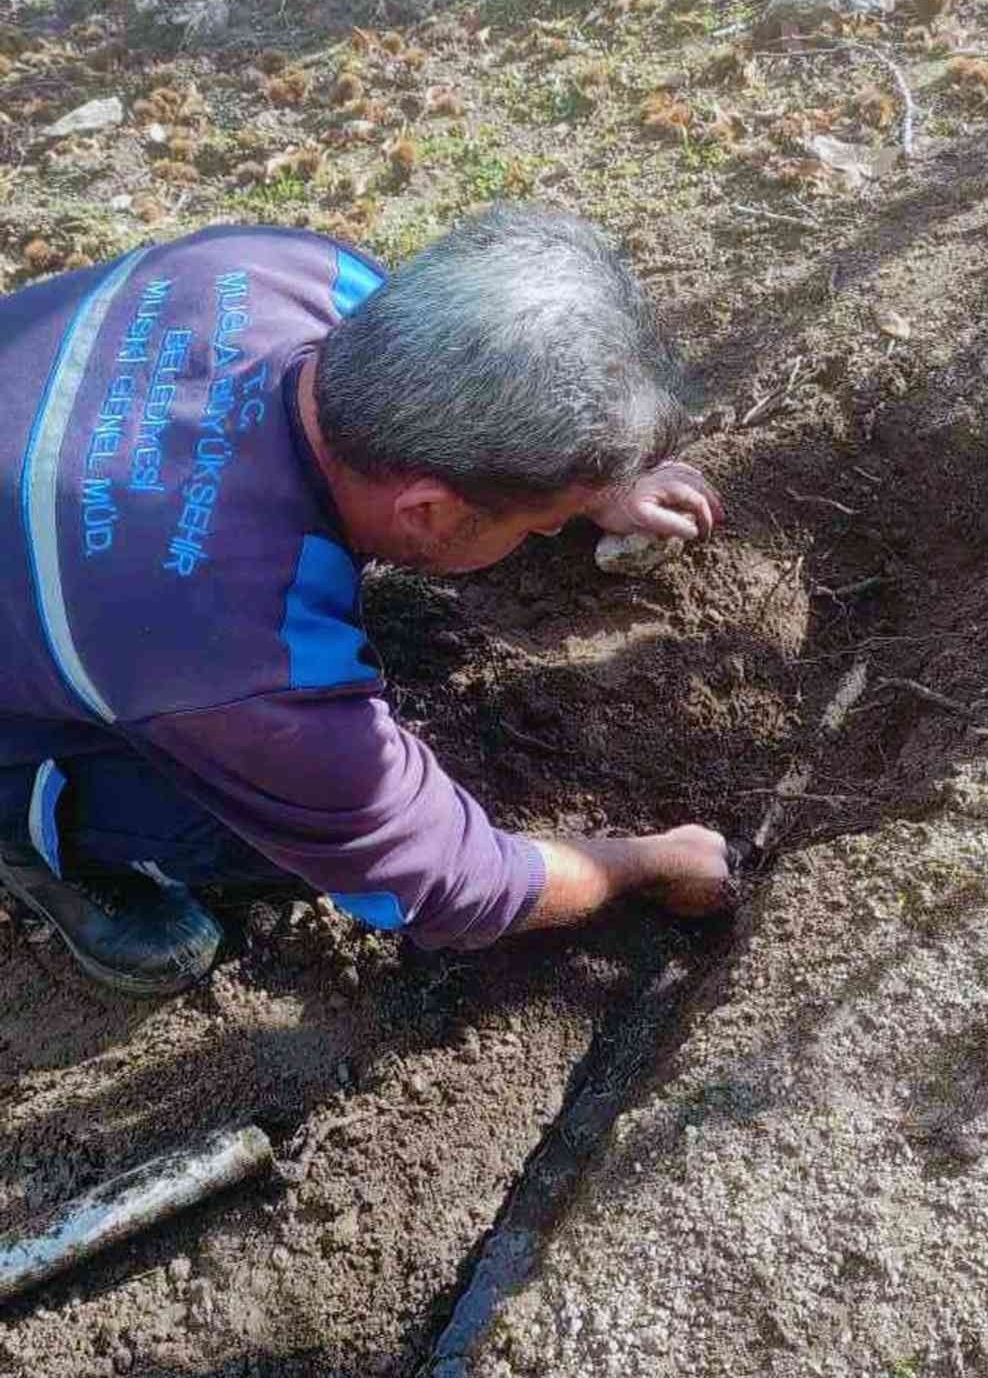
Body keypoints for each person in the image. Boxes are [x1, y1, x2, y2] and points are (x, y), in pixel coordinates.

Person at [0, 203, 730, 998]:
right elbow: (451, 884)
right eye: (540, 524)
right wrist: (648, 864)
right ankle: (32, 835)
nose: (544, 533)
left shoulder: (295, 270)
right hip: (89, 632)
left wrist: (592, 481)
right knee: (256, 834)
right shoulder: (230, 651)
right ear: (429, 511)